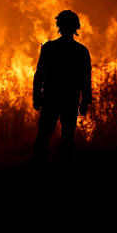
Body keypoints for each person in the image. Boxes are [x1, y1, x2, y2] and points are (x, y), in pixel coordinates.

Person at [33, 10, 92, 163]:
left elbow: (39, 76)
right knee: (66, 139)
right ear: (76, 27)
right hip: (69, 100)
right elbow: (85, 79)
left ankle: (38, 168)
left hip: (52, 99)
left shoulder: (49, 48)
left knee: (44, 138)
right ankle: (62, 169)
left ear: (59, 25)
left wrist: (37, 97)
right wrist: (85, 102)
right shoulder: (81, 51)